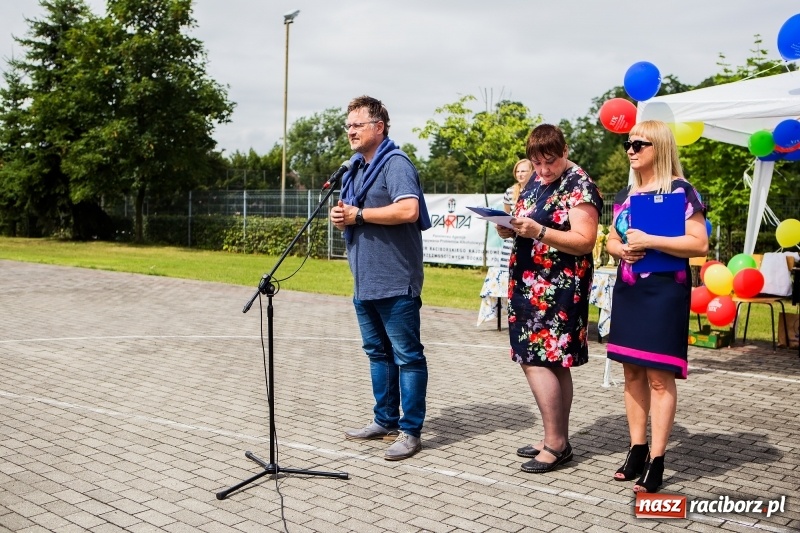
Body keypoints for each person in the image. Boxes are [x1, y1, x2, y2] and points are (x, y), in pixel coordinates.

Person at [605, 120, 708, 493]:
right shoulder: (625, 193)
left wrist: (651, 239)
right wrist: (623, 248)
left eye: (639, 144)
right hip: (630, 290)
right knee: (631, 372)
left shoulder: (682, 191)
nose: (631, 150)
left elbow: (699, 244)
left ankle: (658, 460)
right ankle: (636, 449)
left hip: (666, 291)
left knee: (659, 378)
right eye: (628, 144)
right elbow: (610, 241)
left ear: (659, 148)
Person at [330, 96, 432, 461]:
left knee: (407, 356)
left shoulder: (395, 163)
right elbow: (355, 211)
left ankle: (411, 430)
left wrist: (359, 216)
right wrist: (343, 216)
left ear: (380, 127)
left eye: (358, 124)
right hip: (365, 280)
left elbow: (409, 209)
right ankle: (384, 419)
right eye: (348, 125)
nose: (351, 131)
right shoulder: (355, 168)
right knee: (377, 353)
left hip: (395, 279)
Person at [496, 124, 602, 473]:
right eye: (536, 163)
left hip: (557, 287)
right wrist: (508, 226)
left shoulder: (579, 185)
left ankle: (556, 444)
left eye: (550, 162)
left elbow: (584, 240)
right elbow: (528, 219)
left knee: (536, 359)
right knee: (551, 362)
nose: (543, 170)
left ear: (565, 151)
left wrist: (538, 231)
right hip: (530, 283)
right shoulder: (537, 182)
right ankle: (554, 437)